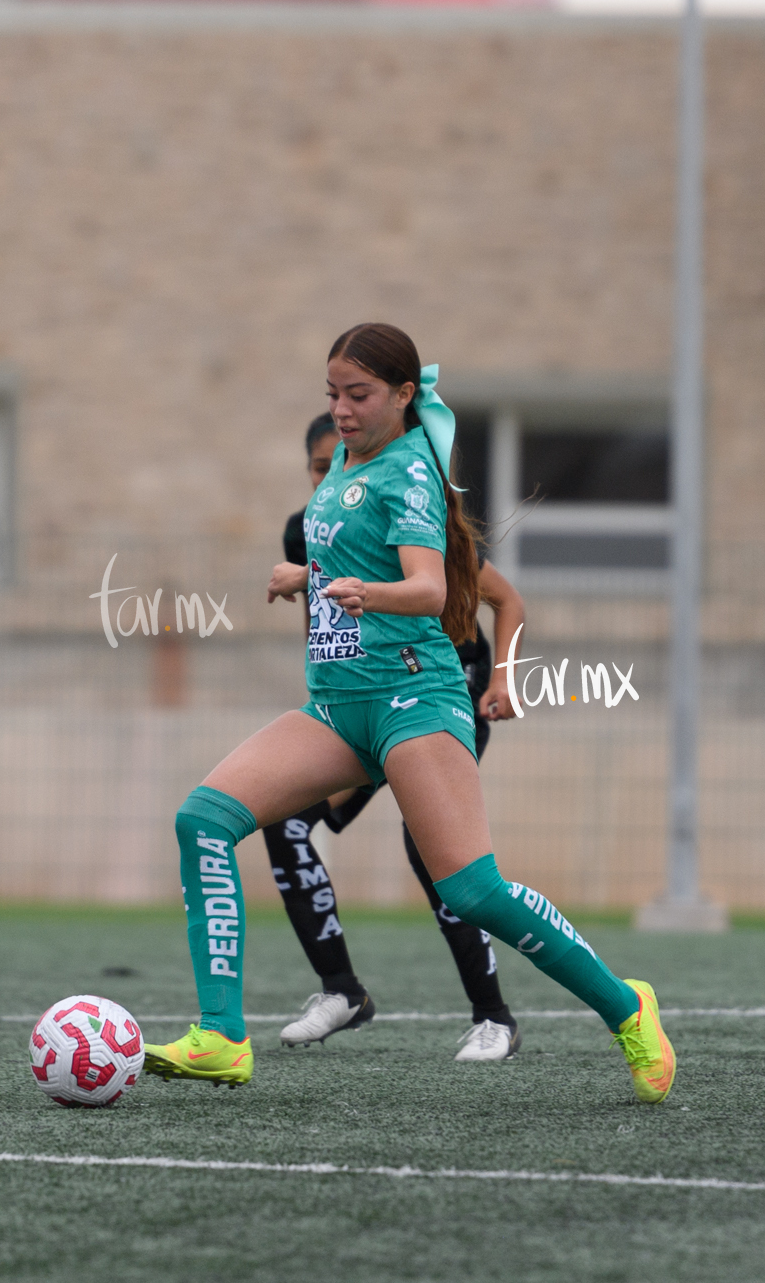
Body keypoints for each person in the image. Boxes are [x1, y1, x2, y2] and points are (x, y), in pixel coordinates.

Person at [143, 323, 675, 1103]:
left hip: (413, 699)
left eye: (358, 394)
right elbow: (351, 551)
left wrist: (368, 593)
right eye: (332, 393)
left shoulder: (410, 474)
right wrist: (307, 574)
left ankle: (629, 1008)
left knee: (472, 891)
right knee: (204, 819)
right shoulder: (347, 465)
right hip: (336, 705)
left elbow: (427, 588)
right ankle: (222, 1036)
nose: (343, 408)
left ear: (402, 396)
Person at [265, 413, 529, 1061]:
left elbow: (508, 600)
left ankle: (494, 1016)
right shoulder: (308, 529)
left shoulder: (408, 505)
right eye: (322, 465)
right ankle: (341, 990)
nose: (336, 472)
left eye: (345, 456)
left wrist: (504, 679)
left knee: (434, 851)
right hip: (358, 699)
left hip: (437, 694)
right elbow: (322, 626)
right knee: (283, 818)